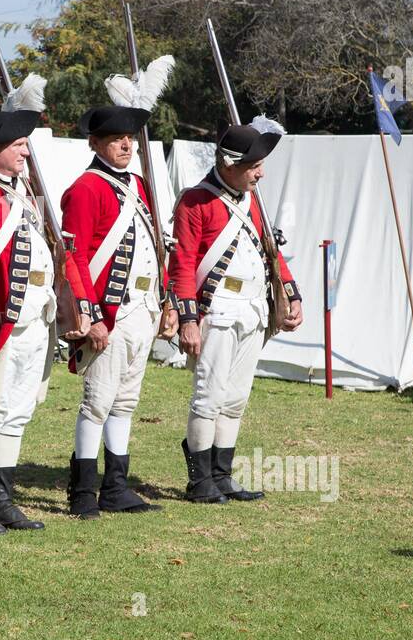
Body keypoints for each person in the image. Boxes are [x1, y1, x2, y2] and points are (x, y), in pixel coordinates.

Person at [0, 108, 93, 534]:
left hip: (36, 319)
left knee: (17, 413)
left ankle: (3, 499)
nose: (26, 152)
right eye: (18, 145)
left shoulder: (24, 191)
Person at [169, 117, 303, 504]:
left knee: (235, 398)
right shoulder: (195, 201)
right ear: (230, 165)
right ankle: (199, 480)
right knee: (208, 397)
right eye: (253, 166)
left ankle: (222, 475)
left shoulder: (251, 201)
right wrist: (189, 321)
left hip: (252, 309)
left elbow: (270, 254)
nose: (260, 173)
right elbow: (182, 264)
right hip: (218, 310)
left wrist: (293, 295)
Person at [60, 103, 175, 518]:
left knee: (125, 401)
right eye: (115, 139)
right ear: (95, 143)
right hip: (110, 312)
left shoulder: (140, 186)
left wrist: (167, 302)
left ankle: (116, 486)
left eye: (128, 138)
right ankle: (83, 492)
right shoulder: (85, 188)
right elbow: (74, 257)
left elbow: (159, 248)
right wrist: (89, 316)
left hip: (144, 308)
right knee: (97, 403)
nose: (126, 145)